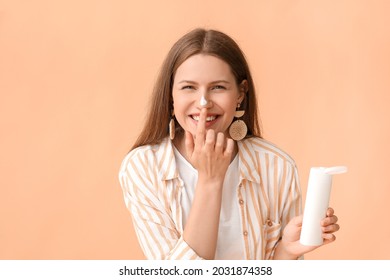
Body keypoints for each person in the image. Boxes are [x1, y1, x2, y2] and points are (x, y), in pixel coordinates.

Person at [119, 28, 340, 260]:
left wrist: (285, 252)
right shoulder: (142, 167)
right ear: (170, 96)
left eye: (218, 87)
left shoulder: (277, 165)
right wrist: (210, 179)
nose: (203, 103)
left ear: (240, 94)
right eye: (189, 87)